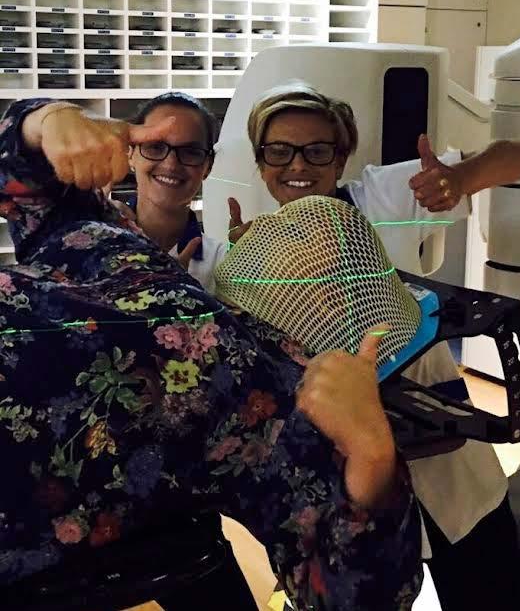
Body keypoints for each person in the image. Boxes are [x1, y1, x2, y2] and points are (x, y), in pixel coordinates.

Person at [0, 99, 422, 611]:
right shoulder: (127, 248)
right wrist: (48, 122)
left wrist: (370, 451)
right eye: (293, 222)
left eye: (322, 244)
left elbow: (355, 591)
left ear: (335, 300)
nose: (290, 227)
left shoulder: (275, 406)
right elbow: (28, 183)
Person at [229, 81, 520, 611]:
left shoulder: (382, 198)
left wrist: (459, 178)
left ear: (340, 157)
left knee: (490, 591)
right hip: (345, 483)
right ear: (261, 163)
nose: (297, 164)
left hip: (445, 450)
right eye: (279, 151)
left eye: (317, 150)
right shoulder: (251, 250)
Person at [114, 92, 227, 292]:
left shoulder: (222, 263)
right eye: (155, 147)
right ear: (130, 154)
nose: (171, 164)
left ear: (208, 166)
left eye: (190, 152)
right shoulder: (95, 241)